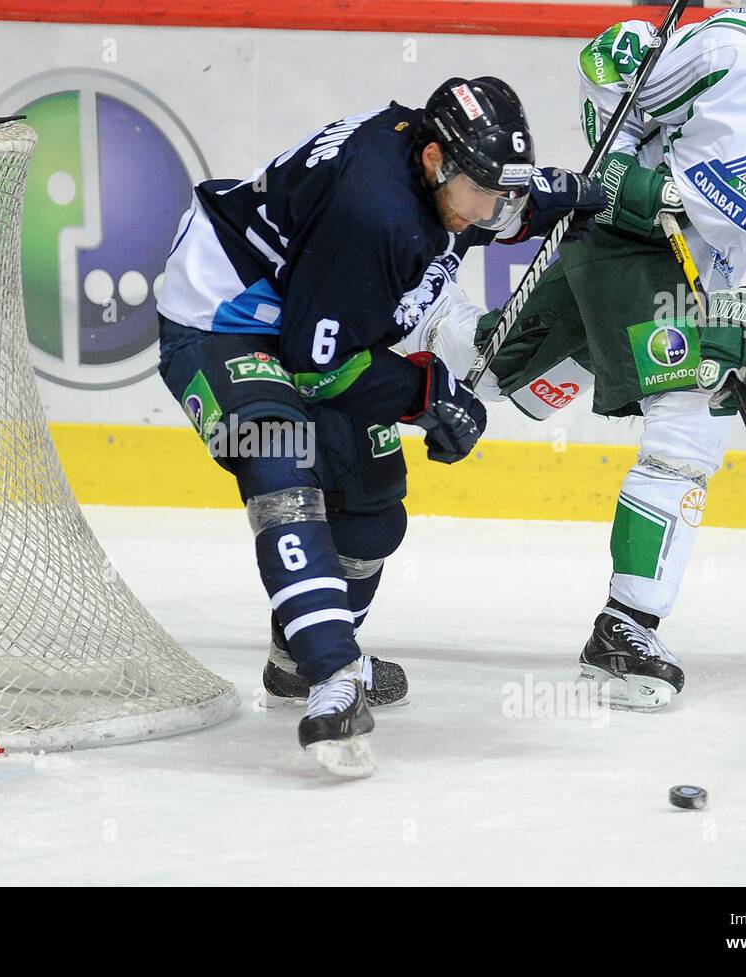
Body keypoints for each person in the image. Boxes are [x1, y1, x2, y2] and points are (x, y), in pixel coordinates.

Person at [436, 4, 746, 710]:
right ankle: (625, 630)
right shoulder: (733, 46)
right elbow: (613, 64)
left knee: (512, 373)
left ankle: (421, 315)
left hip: (711, 275)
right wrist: (622, 170)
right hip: (632, 240)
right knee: (691, 409)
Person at [156, 78, 605, 775]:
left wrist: (566, 196)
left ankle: (293, 658)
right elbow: (313, 369)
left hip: (312, 312)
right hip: (221, 318)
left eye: (499, 191)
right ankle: (332, 674)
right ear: (433, 160)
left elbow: (494, 198)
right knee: (281, 455)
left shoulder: (441, 165)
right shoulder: (376, 215)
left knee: (371, 503)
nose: (490, 212)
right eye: (481, 193)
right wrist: (428, 391)